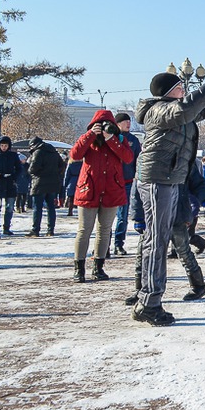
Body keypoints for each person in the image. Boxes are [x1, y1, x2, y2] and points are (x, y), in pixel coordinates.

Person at [133, 55, 205, 326]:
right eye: (179, 87)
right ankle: (149, 302)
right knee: (157, 240)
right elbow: (186, 109)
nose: (183, 90)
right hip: (157, 179)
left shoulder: (178, 112)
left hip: (171, 178)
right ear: (166, 92)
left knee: (161, 238)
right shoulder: (159, 109)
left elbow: (201, 110)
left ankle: (148, 299)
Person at [125, 161, 205, 307]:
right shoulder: (147, 157)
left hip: (177, 213)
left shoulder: (182, 159)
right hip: (151, 215)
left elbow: (197, 182)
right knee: (143, 252)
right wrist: (138, 216)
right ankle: (140, 289)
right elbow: (137, 188)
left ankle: (198, 285)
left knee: (183, 250)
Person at [70, 110, 135, 283]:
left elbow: (128, 158)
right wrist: (91, 134)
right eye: (100, 125)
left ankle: (98, 267)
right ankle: (79, 268)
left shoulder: (118, 140)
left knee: (104, 230)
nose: (104, 128)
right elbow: (75, 155)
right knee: (84, 230)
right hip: (88, 191)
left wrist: (110, 138)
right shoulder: (89, 139)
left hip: (111, 190)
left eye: (108, 125)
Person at [112, 112, 142, 256]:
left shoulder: (133, 140)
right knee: (107, 217)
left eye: (129, 121)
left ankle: (119, 243)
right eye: (125, 121)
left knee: (123, 216)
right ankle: (103, 244)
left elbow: (138, 160)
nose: (128, 124)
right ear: (117, 124)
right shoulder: (111, 138)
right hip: (111, 183)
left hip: (128, 182)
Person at [26, 136, 66, 237]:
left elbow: (32, 169)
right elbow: (62, 165)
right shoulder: (54, 152)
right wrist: (55, 173)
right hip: (53, 182)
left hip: (39, 183)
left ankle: (35, 230)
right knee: (51, 207)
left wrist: (33, 173)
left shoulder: (38, 152)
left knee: (37, 208)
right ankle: (50, 230)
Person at [0, 136, 23, 236]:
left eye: (6, 145)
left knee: (9, 207)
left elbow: (19, 169)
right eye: (2, 145)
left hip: (11, 184)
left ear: (9, 146)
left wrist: (15, 177)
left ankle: (7, 227)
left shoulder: (13, 156)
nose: (4, 147)